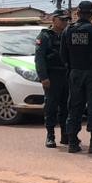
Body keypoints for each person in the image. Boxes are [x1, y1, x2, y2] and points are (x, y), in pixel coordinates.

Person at [60, 0, 92, 154]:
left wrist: (71, 69)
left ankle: (72, 142)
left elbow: (63, 55)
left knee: (75, 106)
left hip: (75, 73)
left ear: (77, 14)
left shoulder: (68, 31)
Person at [35, 9, 70, 148]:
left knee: (66, 107)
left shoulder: (68, 35)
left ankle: (65, 135)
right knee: (51, 107)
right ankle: (50, 136)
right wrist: (43, 77)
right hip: (52, 76)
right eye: (62, 20)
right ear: (54, 20)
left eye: (66, 20)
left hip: (66, 75)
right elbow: (39, 58)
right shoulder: (45, 36)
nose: (65, 22)